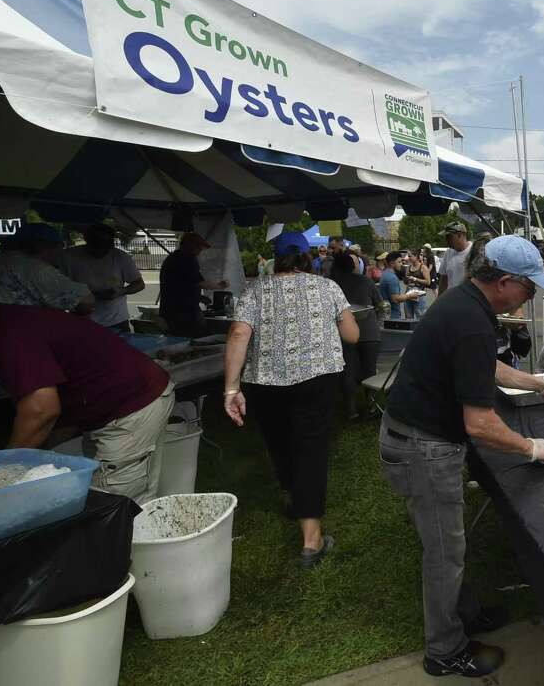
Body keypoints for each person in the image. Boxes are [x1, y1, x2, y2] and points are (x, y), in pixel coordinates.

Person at [379, 235, 544, 678]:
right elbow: (479, 424)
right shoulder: (471, 320)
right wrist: (530, 447)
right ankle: (444, 650)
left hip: (416, 438)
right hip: (421, 447)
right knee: (444, 552)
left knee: (449, 544)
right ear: (504, 282)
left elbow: (488, 366)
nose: (531, 297)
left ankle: (466, 612)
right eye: (529, 289)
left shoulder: (466, 303)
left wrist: (540, 384)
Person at [224, 231, 359, 568]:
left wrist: (231, 387)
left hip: (265, 381)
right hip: (317, 378)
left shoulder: (254, 289)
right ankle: (311, 540)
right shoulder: (327, 287)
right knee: (310, 448)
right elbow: (352, 335)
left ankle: (293, 495)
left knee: (279, 441)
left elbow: (239, 333)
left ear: (276, 257)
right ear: (307, 257)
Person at [0, 302, 174, 502]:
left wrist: (1, 470)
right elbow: (51, 407)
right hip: (109, 408)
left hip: (131, 405)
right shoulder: (2, 325)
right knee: (101, 490)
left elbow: (41, 410)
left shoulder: (8, 335)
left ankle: (130, 539)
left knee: (114, 503)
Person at [0, 223, 92, 314]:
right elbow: (85, 303)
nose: (60, 252)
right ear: (42, 246)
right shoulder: (35, 269)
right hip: (18, 339)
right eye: (58, 246)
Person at [328, 252, 383, 418]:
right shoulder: (366, 281)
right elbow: (380, 304)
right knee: (369, 370)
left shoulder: (331, 285)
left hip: (344, 334)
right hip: (370, 331)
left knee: (348, 370)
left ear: (335, 267)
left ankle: (351, 409)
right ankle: (371, 406)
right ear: (353, 266)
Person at [62, 223, 146, 332]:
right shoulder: (69, 256)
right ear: (87, 240)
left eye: (105, 246)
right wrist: (81, 297)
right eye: (96, 245)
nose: (100, 251)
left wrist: (121, 291)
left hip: (116, 320)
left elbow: (139, 284)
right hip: (81, 319)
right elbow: (59, 287)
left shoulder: (121, 257)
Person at [159, 232, 227, 338]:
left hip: (171, 311)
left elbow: (181, 285)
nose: (200, 251)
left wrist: (198, 297)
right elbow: (199, 282)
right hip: (183, 313)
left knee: (179, 340)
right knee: (195, 341)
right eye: (198, 247)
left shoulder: (173, 258)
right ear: (188, 244)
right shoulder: (187, 259)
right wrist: (220, 286)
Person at [437, 220, 472, 296]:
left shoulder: (473, 251)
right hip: (451, 299)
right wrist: (439, 299)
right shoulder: (448, 252)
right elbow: (444, 279)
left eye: (449, 237)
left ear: (459, 235)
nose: (446, 241)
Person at [378, 252, 415, 319]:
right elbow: (395, 299)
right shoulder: (392, 278)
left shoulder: (385, 273)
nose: (401, 264)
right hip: (392, 316)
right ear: (392, 263)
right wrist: (410, 295)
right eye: (399, 262)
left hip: (386, 314)